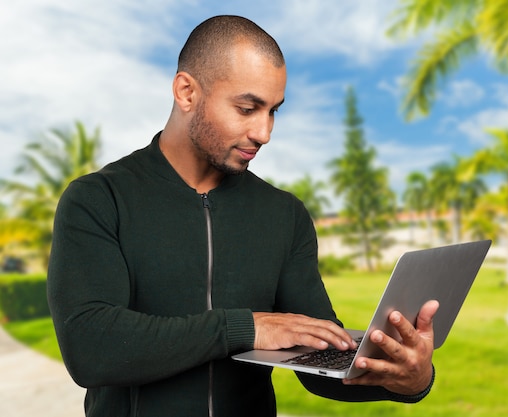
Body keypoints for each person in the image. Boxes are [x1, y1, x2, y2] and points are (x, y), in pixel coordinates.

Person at [47, 15, 439, 417]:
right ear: (186, 92)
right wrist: (245, 329)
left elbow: (317, 359)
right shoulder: (97, 199)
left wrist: (406, 378)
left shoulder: (284, 214)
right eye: (248, 108)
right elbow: (91, 348)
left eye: (273, 111)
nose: (264, 132)